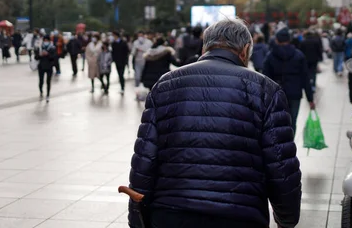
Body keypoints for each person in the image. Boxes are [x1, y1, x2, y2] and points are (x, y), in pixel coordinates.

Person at [128, 19, 302, 228]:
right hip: (239, 214)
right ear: (245, 50)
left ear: (205, 47)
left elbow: (145, 158)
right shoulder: (266, 90)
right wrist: (287, 217)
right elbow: (280, 164)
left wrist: (137, 216)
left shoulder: (165, 84)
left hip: (171, 213)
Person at [263, 27, 315, 134]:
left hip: (276, 94)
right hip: (295, 94)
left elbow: (265, 78)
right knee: (292, 121)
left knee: (277, 121)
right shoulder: (299, 55)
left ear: (277, 40)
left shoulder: (270, 56)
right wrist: (310, 98)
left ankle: (278, 145)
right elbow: (305, 77)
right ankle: (290, 144)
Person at [35, 35, 56, 103]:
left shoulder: (52, 48)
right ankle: (41, 91)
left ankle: (48, 94)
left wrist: (47, 54)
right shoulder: (40, 47)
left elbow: (54, 58)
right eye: (45, 40)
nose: (46, 41)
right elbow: (36, 57)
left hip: (49, 66)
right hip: (41, 66)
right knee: (41, 81)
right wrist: (40, 55)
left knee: (48, 81)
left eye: (47, 40)